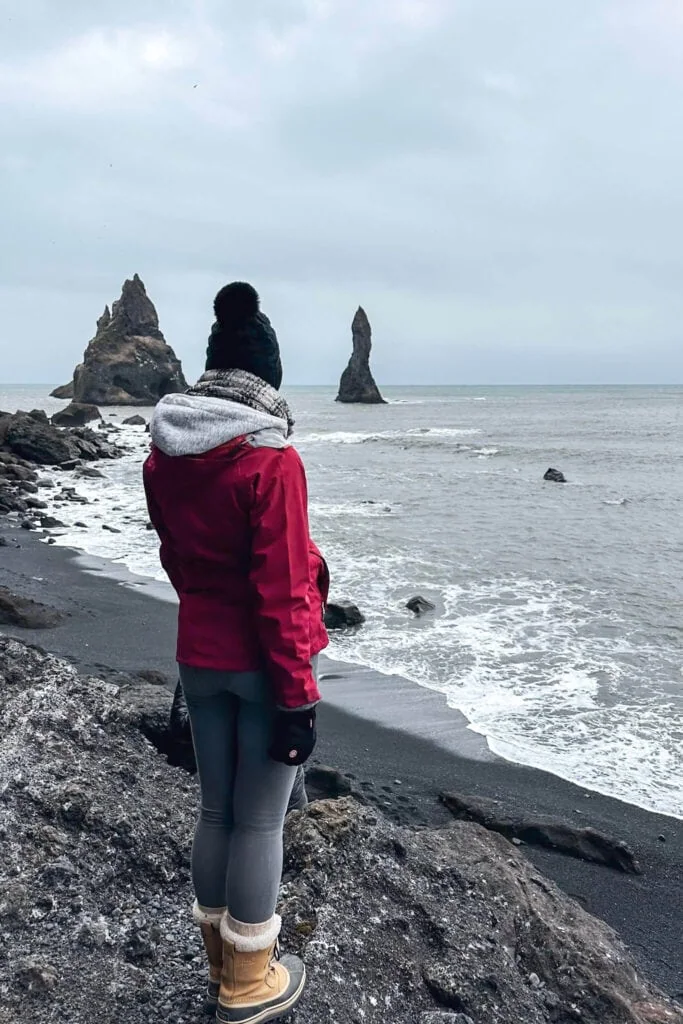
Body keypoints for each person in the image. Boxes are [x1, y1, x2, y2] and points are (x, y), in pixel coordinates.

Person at [143, 282, 329, 1024]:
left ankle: (220, 961)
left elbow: (176, 558)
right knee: (260, 823)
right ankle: (248, 986)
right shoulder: (269, 460)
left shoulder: (164, 454)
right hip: (261, 665)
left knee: (216, 811)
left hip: (200, 653)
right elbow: (282, 593)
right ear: (264, 384)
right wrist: (298, 698)